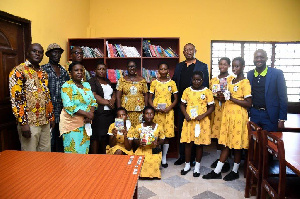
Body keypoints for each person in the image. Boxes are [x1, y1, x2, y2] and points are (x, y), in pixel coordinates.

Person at [203, 57, 252, 181]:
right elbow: (226, 97)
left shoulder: (245, 82)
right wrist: (221, 96)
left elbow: (248, 103)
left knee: (236, 145)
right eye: (234, 66)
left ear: (243, 67)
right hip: (227, 115)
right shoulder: (231, 81)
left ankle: (234, 171)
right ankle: (218, 170)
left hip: (238, 116)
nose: (235, 69)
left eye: (237, 66)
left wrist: (231, 98)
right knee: (225, 143)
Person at [9, 43, 54, 151]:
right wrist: (23, 123)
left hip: (45, 121)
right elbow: (16, 99)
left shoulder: (43, 73)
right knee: (30, 158)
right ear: (28, 53)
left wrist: (51, 116)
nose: (37, 54)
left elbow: (47, 96)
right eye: (34, 51)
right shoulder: (18, 71)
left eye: (40, 52)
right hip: (30, 122)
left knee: (46, 154)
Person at [172, 43, 209, 165]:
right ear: (183, 52)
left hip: (197, 106)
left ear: (195, 51)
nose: (188, 52)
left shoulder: (202, 66)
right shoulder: (179, 66)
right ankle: (183, 157)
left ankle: (193, 158)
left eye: (191, 50)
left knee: (196, 131)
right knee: (183, 130)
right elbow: (174, 82)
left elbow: (206, 86)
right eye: (186, 50)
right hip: (182, 104)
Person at [180, 71, 214, 177]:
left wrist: (203, 115)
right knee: (188, 143)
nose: (196, 81)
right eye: (194, 79)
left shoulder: (207, 91)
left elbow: (212, 107)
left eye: (199, 79)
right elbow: (182, 104)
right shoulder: (187, 91)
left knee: (199, 144)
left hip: (201, 122)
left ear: (202, 80)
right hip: (189, 121)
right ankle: (187, 165)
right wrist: (185, 114)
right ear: (192, 80)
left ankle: (197, 167)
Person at [59, 63, 97, 154]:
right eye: (76, 70)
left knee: (84, 152)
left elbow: (93, 101)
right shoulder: (66, 86)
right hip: (71, 124)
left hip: (86, 123)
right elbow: (69, 106)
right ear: (70, 73)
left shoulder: (87, 85)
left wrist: (90, 114)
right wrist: (87, 114)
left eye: (81, 70)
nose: (79, 72)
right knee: (73, 155)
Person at [247, 49, 287, 131]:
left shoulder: (277, 73)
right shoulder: (250, 74)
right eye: (256, 57)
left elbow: (283, 97)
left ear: (266, 59)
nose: (259, 59)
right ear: (253, 59)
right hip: (254, 113)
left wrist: (282, 119)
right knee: (254, 141)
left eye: (262, 57)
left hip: (270, 115)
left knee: (269, 142)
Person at [148, 63, 178, 168]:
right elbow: (149, 98)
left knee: (166, 136)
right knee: (157, 134)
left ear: (168, 70)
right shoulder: (154, 83)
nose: (163, 71)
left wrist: (169, 108)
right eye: (161, 69)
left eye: (165, 69)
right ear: (158, 71)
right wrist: (153, 108)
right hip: (157, 112)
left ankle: (164, 158)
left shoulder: (172, 83)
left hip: (168, 112)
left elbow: (176, 99)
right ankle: (157, 157)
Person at [42, 43, 70, 152]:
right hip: (48, 112)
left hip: (63, 112)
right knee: (49, 142)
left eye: (59, 53)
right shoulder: (43, 69)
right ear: (48, 54)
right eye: (54, 52)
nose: (57, 55)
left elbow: (68, 90)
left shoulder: (64, 71)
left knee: (61, 141)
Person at [209, 57, 234, 172]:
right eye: (220, 64)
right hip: (216, 111)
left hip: (227, 110)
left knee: (225, 136)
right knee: (217, 136)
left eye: (225, 64)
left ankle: (227, 161)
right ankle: (219, 158)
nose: (222, 66)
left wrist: (225, 96)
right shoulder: (213, 80)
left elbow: (234, 94)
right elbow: (210, 94)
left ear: (229, 65)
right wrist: (215, 95)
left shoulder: (232, 79)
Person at [127, 106, 165, 178]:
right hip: (142, 149)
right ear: (143, 115)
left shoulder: (158, 127)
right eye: (147, 113)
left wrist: (158, 143)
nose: (149, 116)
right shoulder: (139, 127)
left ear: (154, 115)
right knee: (142, 162)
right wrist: (139, 142)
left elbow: (163, 139)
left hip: (154, 149)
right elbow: (135, 139)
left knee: (152, 162)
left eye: (151, 114)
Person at [89, 63, 115, 154]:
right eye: (99, 69)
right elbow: (94, 95)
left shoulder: (107, 81)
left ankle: (104, 156)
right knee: (96, 136)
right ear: (95, 70)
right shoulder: (92, 81)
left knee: (106, 136)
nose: (101, 71)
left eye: (103, 69)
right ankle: (95, 157)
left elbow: (113, 93)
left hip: (109, 113)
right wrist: (107, 102)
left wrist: (112, 100)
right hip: (98, 112)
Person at [116, 60, 148, 128]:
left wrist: (146, 109)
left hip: (140, 111)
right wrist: (119, 111)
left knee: (139, 131)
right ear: (127, 68)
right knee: (122, 130)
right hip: (125, 111)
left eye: (133, 66)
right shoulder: (121, 80)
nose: (132, 68)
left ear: (136, 68)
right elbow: (118, 97)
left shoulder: (142, 80)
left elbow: (146, 95)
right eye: (130, 67)